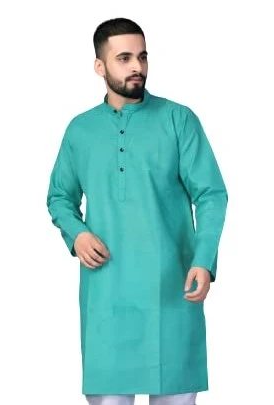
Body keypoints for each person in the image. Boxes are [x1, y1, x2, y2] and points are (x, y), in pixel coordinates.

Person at [46, 17, 228, 405]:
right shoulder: (80, 130)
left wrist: (204, 259)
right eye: (124, 58)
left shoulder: (178, 120)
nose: (137, 67)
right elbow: (59, 197)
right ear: (100, 66)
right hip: (107, 294)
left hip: (172, 291)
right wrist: (77, 234)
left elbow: (211, 194)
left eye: (142, 57)